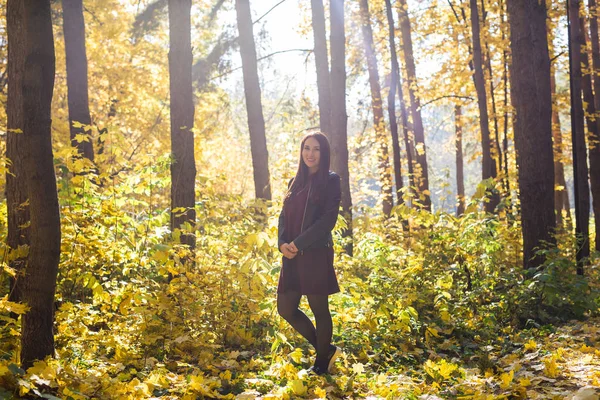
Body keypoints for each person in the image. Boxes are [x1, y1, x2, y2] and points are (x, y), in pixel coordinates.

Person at [276, 131, 342, 375]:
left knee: (319, 309)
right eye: (306, 148)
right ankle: (326, 349)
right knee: (285, 308)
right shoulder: (295, 181)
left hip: (315, 254)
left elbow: (328, 221)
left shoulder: (331, 180)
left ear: (323, 153)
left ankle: (321, 364)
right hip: (291, 254)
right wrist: (282, 243)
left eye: (315, 149)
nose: (310, 154)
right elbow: (283, 217)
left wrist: (298, 244)